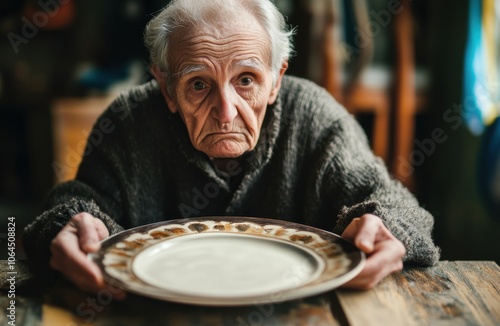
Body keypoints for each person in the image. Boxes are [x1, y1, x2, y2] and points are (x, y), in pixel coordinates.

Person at [23, 0, 440, 295]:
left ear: (276, 79)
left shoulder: (315, 117)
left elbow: (393, 203)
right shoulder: (129, 122)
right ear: (166, 87)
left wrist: (387, 227)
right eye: (199, 85)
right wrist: (64, 224)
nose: (226, 112)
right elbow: (77, 203)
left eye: (245, 80)